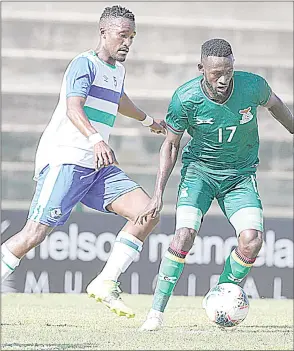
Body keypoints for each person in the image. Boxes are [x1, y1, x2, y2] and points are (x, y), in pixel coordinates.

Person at [1, 5, 166, 319]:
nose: (128, 42)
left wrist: (147, 120)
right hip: (67, 159)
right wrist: (96, 139)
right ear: (103, 32)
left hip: (97, 166)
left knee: (147, 212)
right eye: (122, 35)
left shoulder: (118, 70)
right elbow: (73, 108)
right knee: (33, 234)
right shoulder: (83, 64)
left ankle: (105, 282)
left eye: (132, 37)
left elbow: (118, 99)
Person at [136, 38, 294, 331]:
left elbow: (276, 105)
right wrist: (158, 194)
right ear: (201, 69)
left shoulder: (252, 86)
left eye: (228, 71)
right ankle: (155, 314)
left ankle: (221, 297)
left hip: (240, 175)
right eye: (215, 73)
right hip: (200, 174)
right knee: (183, 235)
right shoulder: (185, 98)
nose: (223, 79)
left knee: (252, 240)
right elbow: (171, 145)